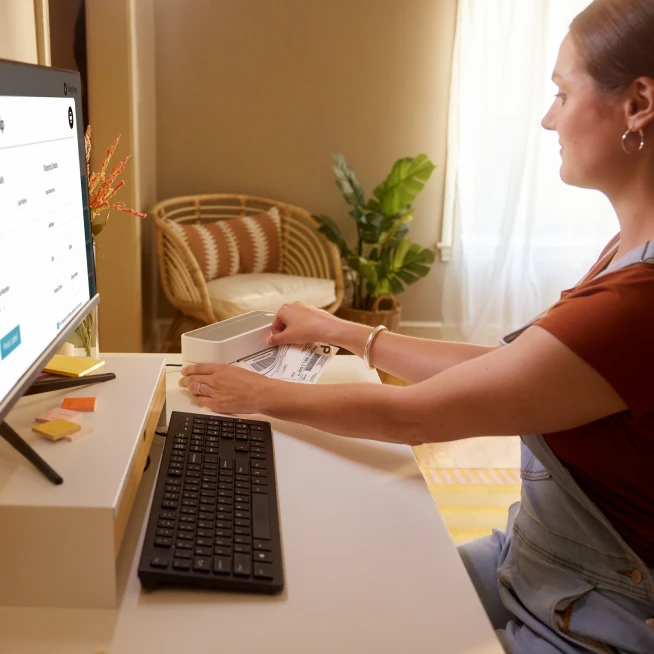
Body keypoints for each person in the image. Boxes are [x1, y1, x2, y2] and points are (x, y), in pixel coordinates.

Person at [180, 0, 654, 650]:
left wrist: (258, 395)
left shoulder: (638, 298)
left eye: (561, 93)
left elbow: (419, 417)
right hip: (537, 566)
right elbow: (508, 373)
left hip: (593, 614)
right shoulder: (624, 254)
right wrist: (349, 333)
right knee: (338, 595)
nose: (549, 119)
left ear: (638, 104)